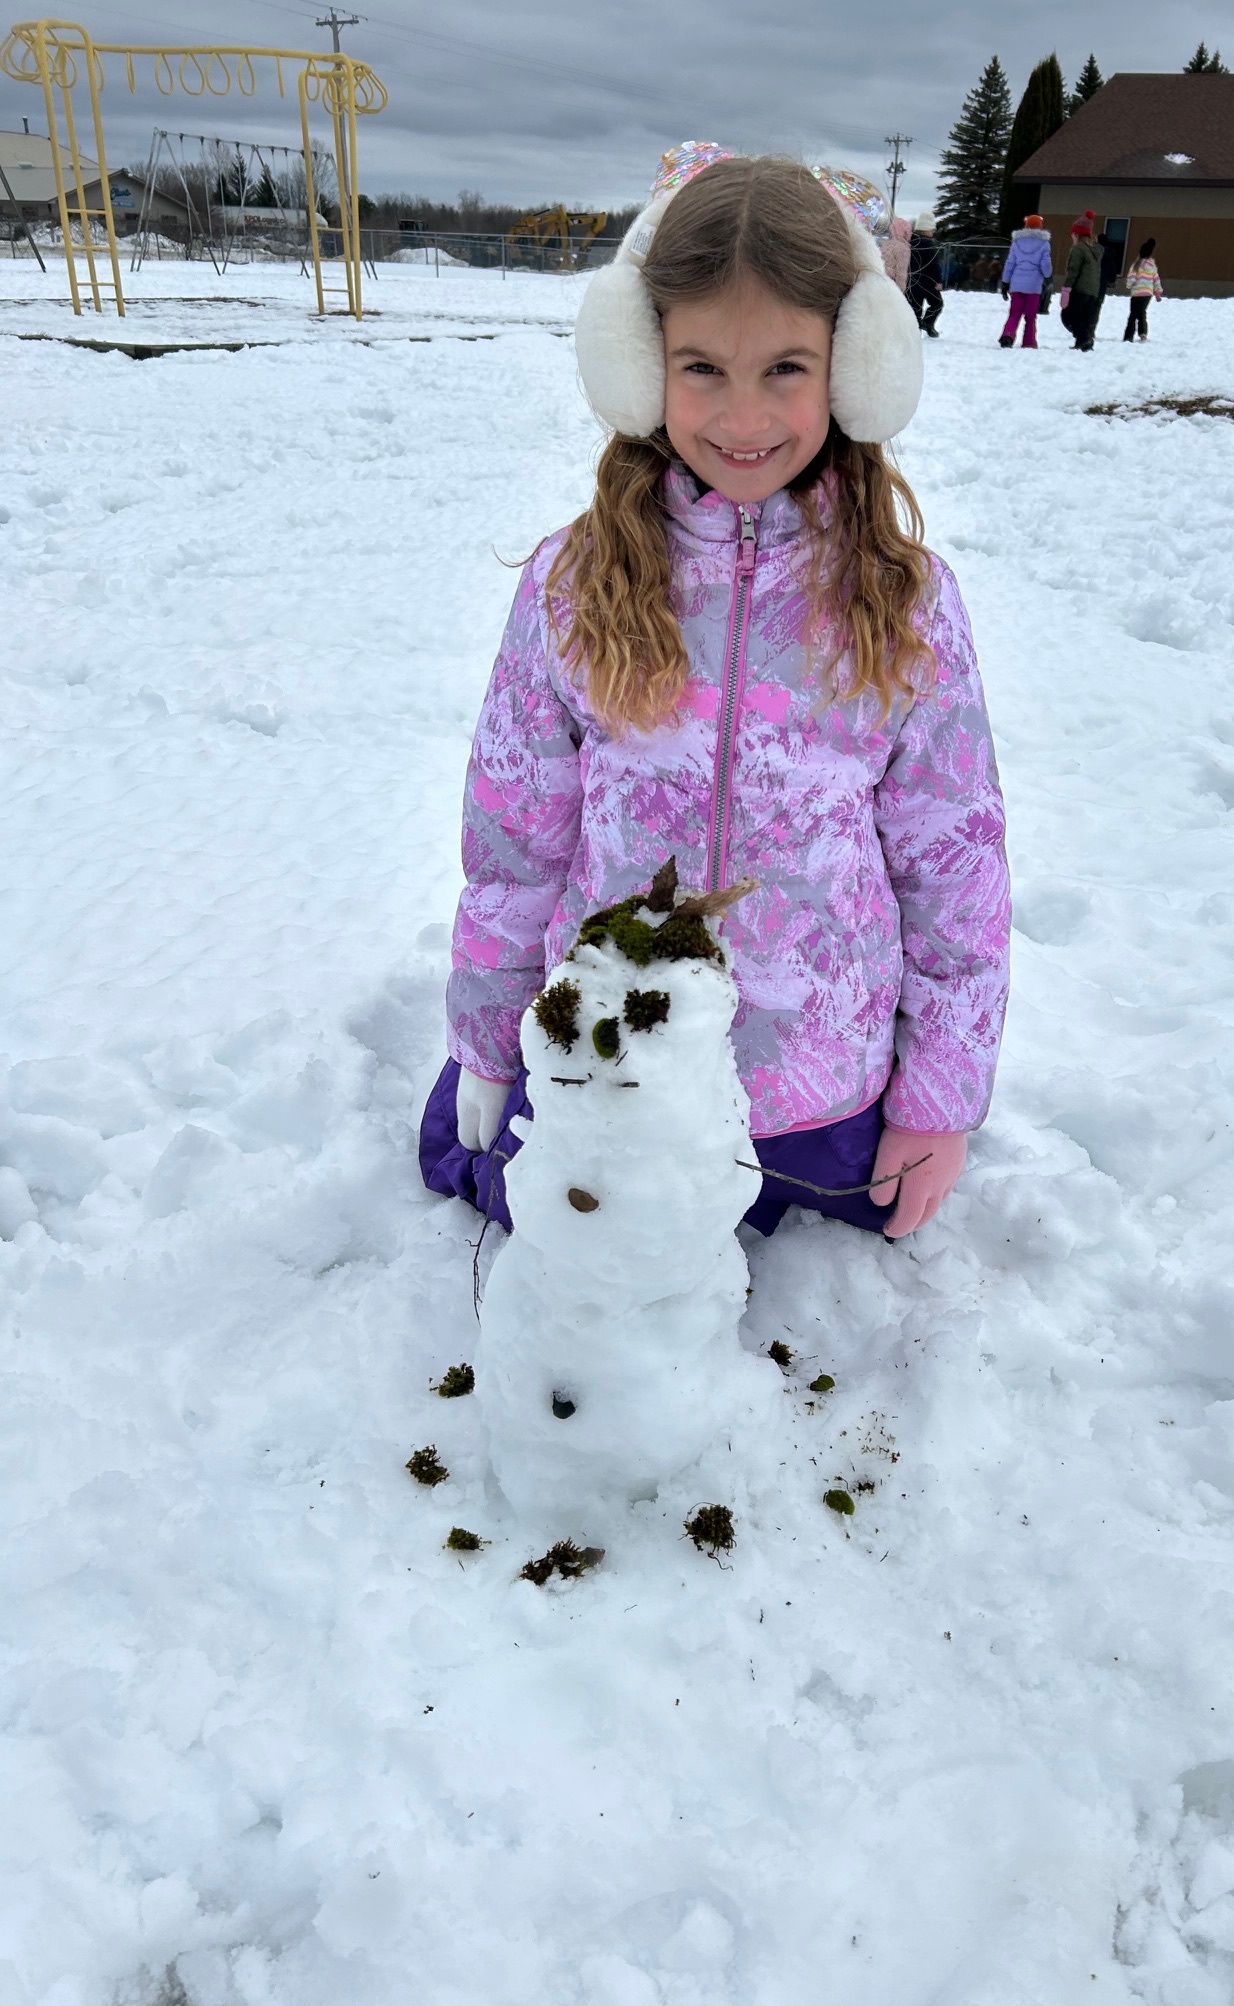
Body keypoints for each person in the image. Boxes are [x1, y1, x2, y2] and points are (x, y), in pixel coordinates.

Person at [420, 151, 1011, 1243]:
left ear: (854, 367)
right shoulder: (571, 585)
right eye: (702, 367)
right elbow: (513, 854)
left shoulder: (907, 603)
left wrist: (938, 1103)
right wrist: (490, 1049)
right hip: (611, 1078)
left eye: (786, 367)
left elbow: (955, 874)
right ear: (641, 363)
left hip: (820, 1100)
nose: (744, 415)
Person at [997, 212, 1052, 348]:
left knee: (1014, 313)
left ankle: (1007, 335)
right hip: (1034, 285)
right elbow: (1045, 265)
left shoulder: (1017, 242)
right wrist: (1047, 275)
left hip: (1017, 283)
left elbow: (1010, 263)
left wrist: (1005, 281)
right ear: (1040, 227)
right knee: (1031, 316)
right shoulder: (1044, 244)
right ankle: (1029, 342)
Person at [1062, 211, 1101, 351]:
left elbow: (1073, 270)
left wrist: (1067, 288)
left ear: (1077, 234)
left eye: (1073, 233)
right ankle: (1082, 342)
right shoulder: (1094, 252)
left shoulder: (1078, 249)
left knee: (1069, 315)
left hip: (1080, 289)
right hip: (1093, 290)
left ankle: (1085, 338)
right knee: (1083, 317)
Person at [907, 210, 944, 337]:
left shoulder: (910, 242)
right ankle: (928, 322)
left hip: (912, 280)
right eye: (932, 229)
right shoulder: (928, 244)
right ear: (926, 229)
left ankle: (914, 331)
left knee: (915, 308)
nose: (933, 232)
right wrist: (938, 281)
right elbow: (934, 265)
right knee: (937, 304)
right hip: (928, 281)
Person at [1123, 237, 1163, 341]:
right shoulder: (1152, 266)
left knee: (1133, 315)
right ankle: (1143, 332)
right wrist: (1158, 292)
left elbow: (1132, 278)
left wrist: (1129, 285)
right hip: (1147, 293)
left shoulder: (1136, 265)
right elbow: (1156, 279)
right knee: (1141, 312)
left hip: (1137, 293)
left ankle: (1128, 336)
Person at [1089, 230, 1124, 343]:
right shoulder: (1110, 253)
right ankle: (1092, 328)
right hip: (1102, 283)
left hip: (1091, 282)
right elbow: (1112, 269)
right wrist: (1112, 281)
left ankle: (1085, 328)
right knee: (1097, 306)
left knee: (1088, 305)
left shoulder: (1093, 252)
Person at [880, 214, 911, 292]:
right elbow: (901, 271)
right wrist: (901, 290)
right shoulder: (903, 248)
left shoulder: (886, 244)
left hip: (881, 279)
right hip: (892, 283)